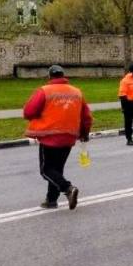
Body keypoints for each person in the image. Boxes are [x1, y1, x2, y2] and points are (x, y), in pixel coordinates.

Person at [23, 65, 93, 210]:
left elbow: (29, 112)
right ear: (63, 76)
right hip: (69, 137)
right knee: (57, 169)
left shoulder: (44, 91)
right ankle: (51, 200)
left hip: (49, 136)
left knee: (46, 170)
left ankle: (68, 188)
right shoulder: (77, 92)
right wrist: (84, 133)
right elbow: (86, 116)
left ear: (49, 76)